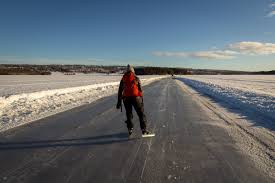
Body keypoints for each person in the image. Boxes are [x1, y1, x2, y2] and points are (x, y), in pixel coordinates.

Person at [116, 65, 152, 136]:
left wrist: (119, 102)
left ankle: (130, 129)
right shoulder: (136, 78)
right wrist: (141, 98)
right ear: (133, 71)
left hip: (126, 99)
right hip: (136, 98)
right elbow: (140, 90)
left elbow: (120, 91)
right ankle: (144, 130)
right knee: (141, 114)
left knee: (129, 114)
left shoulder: (123, 79)